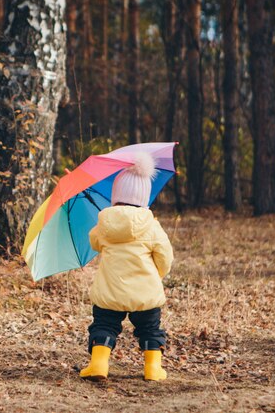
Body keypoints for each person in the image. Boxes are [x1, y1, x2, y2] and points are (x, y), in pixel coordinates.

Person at [79, 151, 174, 381]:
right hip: (145, 293)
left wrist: (101, 224)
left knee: (104, 324)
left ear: (116, 195)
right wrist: (157, 274)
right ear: (144, 197)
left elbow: (94, 242)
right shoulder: (151, 225)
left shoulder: (104, 222)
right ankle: (152, 369)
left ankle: (99, 365)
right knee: (150, 329)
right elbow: (165, 257)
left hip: (110, 292)